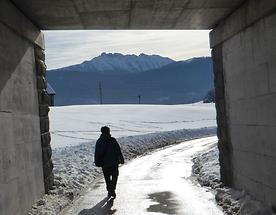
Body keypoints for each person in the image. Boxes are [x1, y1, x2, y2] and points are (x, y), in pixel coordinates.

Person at [94, 126, 124, 198]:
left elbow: (96, 153)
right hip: (114, 163)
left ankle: (110, 190)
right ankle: (112, 190)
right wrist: (121, 159)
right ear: (109, 131)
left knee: (107, 178)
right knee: (114, 177)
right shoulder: (113, 140)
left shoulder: (99, 141)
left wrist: (96, 161)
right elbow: (118, 150)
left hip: (104, 163)